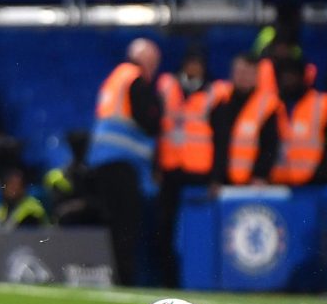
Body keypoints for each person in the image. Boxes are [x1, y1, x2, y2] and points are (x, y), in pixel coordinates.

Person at [86, 38, 162, 286]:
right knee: (127, 224)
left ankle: (116, 276)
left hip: (102, 159)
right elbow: (148, 121)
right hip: (123, 162)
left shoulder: (116, 77)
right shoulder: (136, 80)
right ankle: (125, 278)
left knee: (114, 223)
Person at [155, 52, 231, 287]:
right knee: (166, 229)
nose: (193, 68)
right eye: (189, 62)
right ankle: (169, 281)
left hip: (199, 173)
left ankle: (198, 280)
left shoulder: (214, 93)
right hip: (171, 170)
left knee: (197, 232)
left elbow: (221, 139)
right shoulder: (168, 88)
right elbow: (159, 131)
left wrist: (217, 177)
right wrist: (156, 165)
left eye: (197, 63)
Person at [270, 57, 327, 185]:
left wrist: (323, 173)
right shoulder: (271, 105)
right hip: (277, 184)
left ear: (303, 76)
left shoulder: (323, 103)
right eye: (284, 75)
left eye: (292, 75)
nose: (288, 80)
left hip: (316, 184)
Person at [209, 53, 280, 187]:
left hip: (251, 183)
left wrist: (260, 175)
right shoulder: (219, 101)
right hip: (220, 182)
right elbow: (214, 143)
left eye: (248, 73)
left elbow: (270, 146)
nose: (243, 77)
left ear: (256, 76)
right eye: (239, 72)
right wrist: (214, 178)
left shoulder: (267, 106)